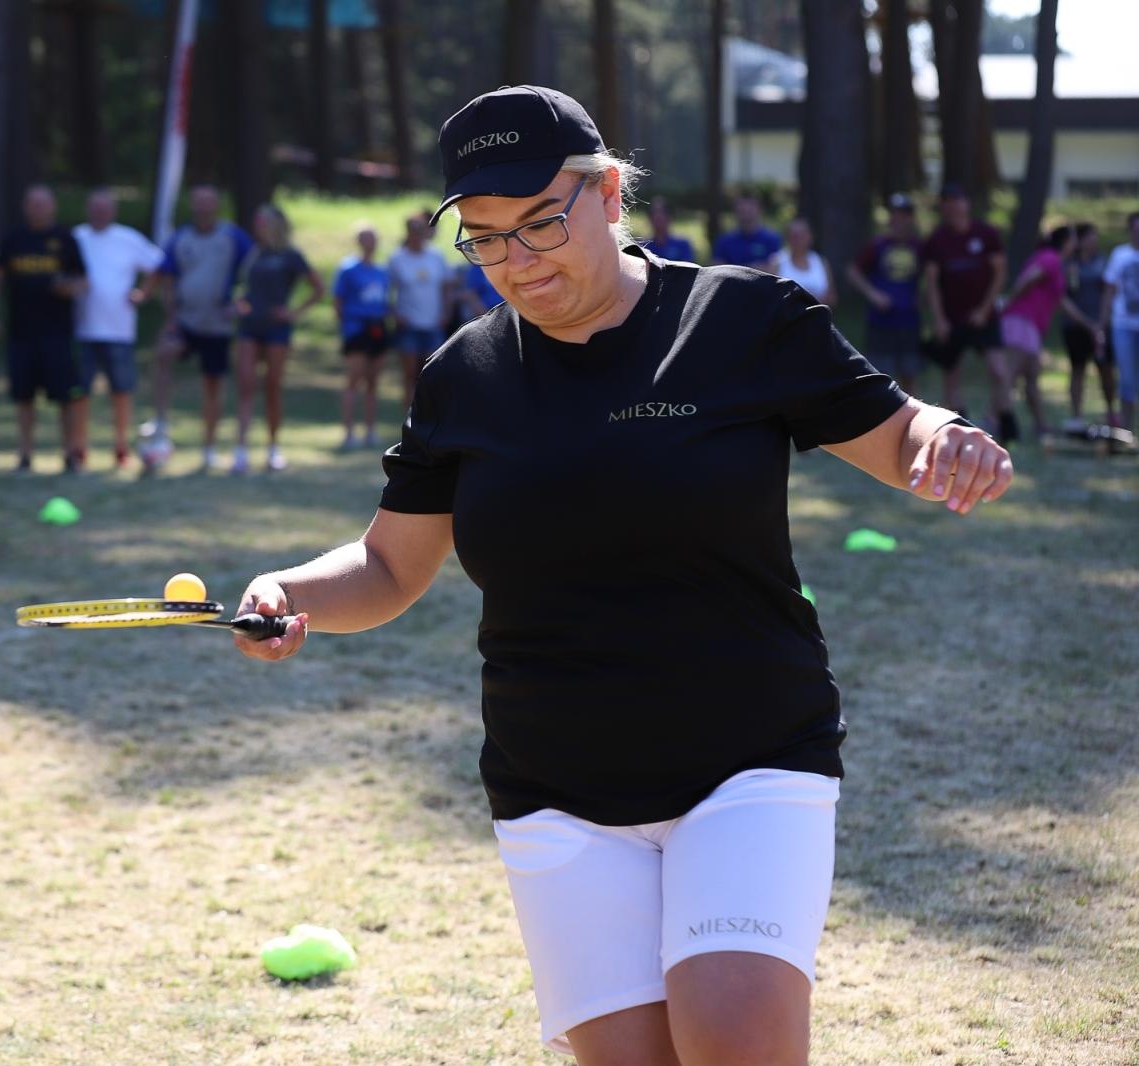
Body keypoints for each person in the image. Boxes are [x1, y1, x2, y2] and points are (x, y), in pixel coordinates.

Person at [232, 84, 1012, 1066]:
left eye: (539, 225)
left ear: (607, 195)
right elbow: (389, 564)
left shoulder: (741, 321)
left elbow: (901, 434)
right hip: (553, 785)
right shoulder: (461, 375)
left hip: (748, 759)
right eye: (483, 238)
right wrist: (286, 591)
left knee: (732, 1042)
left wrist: (947, 442)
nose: (514, 261)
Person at [148, 185, 254, 472]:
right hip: (184, 322)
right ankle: (160, 424)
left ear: (217, 207)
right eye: (199, 205)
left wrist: (240, 305)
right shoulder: (180, 238)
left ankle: (208, 448)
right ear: (193, 207)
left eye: (209, 205)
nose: (204, 210)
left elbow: (254, 274)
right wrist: (170, 317)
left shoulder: (233, 237)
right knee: (163, 355)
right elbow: (166, 279)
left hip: (217, 326)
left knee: (213, 386)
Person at [0, 184, 88, 474]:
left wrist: (66, 288)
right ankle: (25, 454)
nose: (37, 209)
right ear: (25, 207)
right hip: (22, 332)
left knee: (65, 396)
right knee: (23, 396)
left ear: (53, 207)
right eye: (32, 203)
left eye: (43, 204)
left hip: (57, 332)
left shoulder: (65, 239)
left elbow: (83, 282)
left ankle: (70, 454)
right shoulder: (13, 238)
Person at [74, 188, 166, 470]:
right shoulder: (76, 237)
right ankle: (79, 448)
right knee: (80, 392)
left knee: (122, 390)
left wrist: (143, 293)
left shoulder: (127, 239)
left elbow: (159, 265)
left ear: (113, 212)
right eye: (95, 209)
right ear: (88, 210)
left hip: (119, 331)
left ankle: (121, 446)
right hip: (82, 330)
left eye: (105, 209)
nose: (100, 214)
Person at [231, 203, 323, 474]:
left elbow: (318, 289)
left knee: (272, 387)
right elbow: (244, 289)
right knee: (246, 385)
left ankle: (273, 449)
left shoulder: (291, 255)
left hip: (276, 330)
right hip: (249, 327)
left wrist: (292, 313)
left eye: (261, 221)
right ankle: (240, 451)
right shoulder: (254, 253)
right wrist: (240, 304)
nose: (256, 226)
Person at [996, 226, 1090, 443]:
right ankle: (993, 420)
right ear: (1065, 241)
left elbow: (1061, 301)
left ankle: (1041, 425)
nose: (1075, 244)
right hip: (1022, 321)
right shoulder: (1050, 258)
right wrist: (1010, 301)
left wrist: (1087, 324)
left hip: (1031, 325)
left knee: (1031, 377)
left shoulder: (1055, 262)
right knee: (1011, 374)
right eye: (1073, 240)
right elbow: (1028, 279)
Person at [921, 182, 1005, 418]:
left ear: (966, 204)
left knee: (999, 371)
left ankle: (998, 420)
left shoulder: (986, 234)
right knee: (951, 374)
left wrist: (984, 309)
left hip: (984, 316)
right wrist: (939, 320)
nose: (953, 208)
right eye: (947, 204)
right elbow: (932, 282)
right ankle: (959, 426)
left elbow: (999, 273)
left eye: (957, 202)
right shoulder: (937, 240)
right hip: (952, 317)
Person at [845, 193, 925, 394]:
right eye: (895, 214)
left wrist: (923, 297)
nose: (899, 219)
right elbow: (853, 272)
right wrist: (873, 294)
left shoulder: (918, 246)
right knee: (881, 377)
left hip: (909, 321)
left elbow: (931, 276)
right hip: (881, 322)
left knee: (910, 376)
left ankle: (913, 421)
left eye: (904, 215)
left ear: (910, 218)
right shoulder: (878, 245)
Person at [333, 223, 392, 450]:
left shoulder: (381, 270)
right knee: (353, 380)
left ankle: (370, 429)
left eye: (373, 239)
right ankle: (349, 432)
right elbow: (338, 302)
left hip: (378, 328)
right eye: (366, 239)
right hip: (357, 329)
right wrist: (347, 327)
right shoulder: (348, 268)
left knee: (373, 382)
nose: (370, 244)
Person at [388, 214, 453, 411]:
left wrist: (446, 312)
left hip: (433, 323)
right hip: (409, 324)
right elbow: (387, 290)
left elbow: (447, 287)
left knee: (432, 374)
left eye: (421, 232)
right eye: (414, 233)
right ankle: (408, 419)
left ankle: (431, 417)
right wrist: (395, 313)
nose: (418, 236)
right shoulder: (398, 258)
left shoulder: (436, 256)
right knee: (409, 375)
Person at [1063, 223, 1116, 426]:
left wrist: (1100, 323)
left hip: (1101, 325)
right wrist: (1086, 323)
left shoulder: (1102, 263)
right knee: (1077, 369)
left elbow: (1108, 293)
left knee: (1106, 369)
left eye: (1095, 237)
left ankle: (1111, 413)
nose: (1094, 241)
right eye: (1090, 237)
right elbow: (1064, 296)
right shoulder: (1069, 264)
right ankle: (1076, 416)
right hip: (1075, 326)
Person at [1100, 210, 1139, 433]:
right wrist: (1102, 324)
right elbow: (1109, 290)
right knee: (1126, 378)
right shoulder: (1120, 255)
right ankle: (1127, 429)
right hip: (1123, 324)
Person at [768, 217, 836, 308]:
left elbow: (832, 297)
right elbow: (771, 297)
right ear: (787, 238)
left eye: (802, 235)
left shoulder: (821, 262)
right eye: (794, 235)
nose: (798, 239)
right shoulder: (777, 262)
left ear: (810, 237)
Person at [712, 191, 781, 269]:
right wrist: (754, 268)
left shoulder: (772, 239)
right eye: (742, 210)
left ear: (760, 210)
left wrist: (735, 269)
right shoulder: (724, 241)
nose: (746, 214)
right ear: (735, 211)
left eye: (750, 210)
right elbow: (717, 271)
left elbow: (774, 270)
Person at [640, 196, 695, 262]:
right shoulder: (644, 247)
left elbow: (689, 268)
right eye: (656, 219)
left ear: (669, 218)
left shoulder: (682, 244)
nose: (658, 222)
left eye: (661, 218)